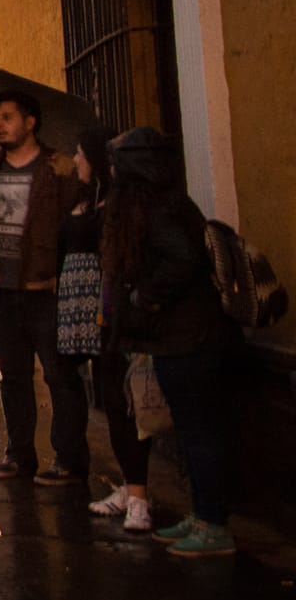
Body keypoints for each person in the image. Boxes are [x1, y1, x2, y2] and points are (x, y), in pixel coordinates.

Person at [104, 127, 240, 557]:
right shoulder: (164, 204)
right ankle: (203, 516)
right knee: (192, 431)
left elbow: (181, 259)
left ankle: (214, 524)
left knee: (201, 433)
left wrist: (145, 299)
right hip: (179, 340)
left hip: (191, 340)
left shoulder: (164, 209)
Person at [0, 89, 88, 486]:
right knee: (11, 374)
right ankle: (20, 455)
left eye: (8, 117)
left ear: (30, 122)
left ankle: (69, 458)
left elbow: (77, 221)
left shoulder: (58, 168)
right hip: (0, 285)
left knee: (58, 373)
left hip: (44, 284)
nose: (0, 125)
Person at [58, 130, 152, 532]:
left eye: (80, 154)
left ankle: (139, 497)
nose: (75, 161)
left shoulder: (116, 206)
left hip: (110, 311)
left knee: (124, 404)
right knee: (110, 402)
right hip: (87, 312)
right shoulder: (82, 197)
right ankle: (131, 489)